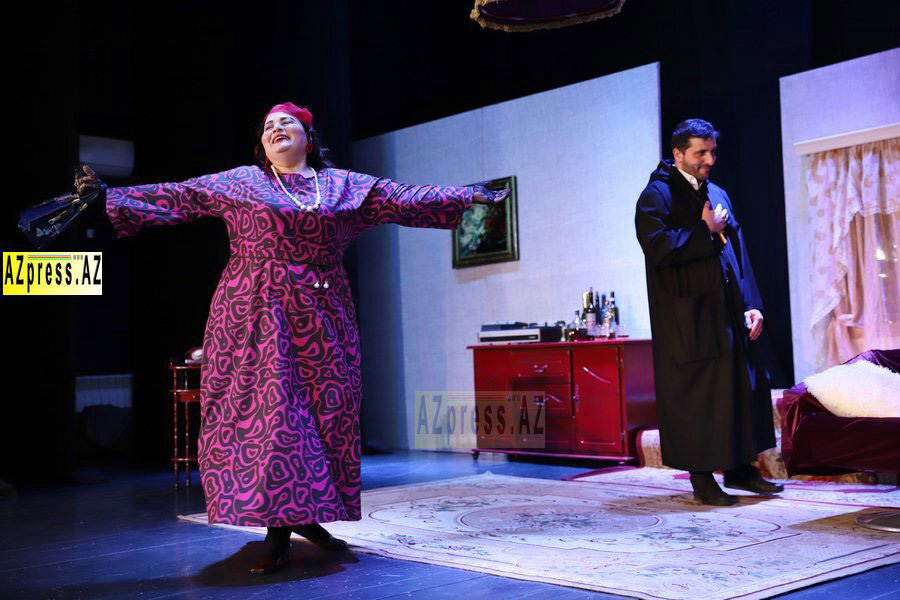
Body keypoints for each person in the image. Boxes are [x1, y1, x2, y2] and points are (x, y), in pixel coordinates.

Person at [75, 102, 507, 573]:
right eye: (267, 126)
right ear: (262, 144)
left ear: (308, 136)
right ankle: (277, 530)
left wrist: (465, 195)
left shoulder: (343, 186)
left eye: (286, 122)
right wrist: (108, 198)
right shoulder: (242, 182)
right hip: (255, 314)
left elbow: (403, 197)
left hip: (323, 315)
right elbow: (179, 196)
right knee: (274, 416)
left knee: (324, 414)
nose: (275, 128)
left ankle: (307, 516)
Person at [634, 118, 783, 506]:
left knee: (741, 388)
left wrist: (752, 304)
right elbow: (657, 248)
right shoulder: (656, 196)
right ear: (678, 153)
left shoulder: (717, 192)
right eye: (701, 152)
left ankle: (741, 469)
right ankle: (702, 479)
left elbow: (739, 249)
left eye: (712, 151)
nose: (710, 160)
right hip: (690, 317)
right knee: (700, 397)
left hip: (730, 311)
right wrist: (704, 229)